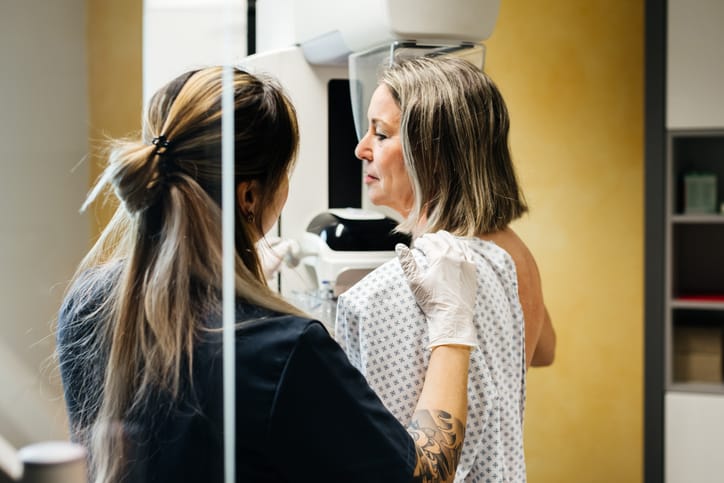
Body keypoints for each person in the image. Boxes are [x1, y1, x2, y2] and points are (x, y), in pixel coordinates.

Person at [55, 66, 480, 483]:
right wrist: (452, 328)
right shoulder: (286, 350)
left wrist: (238, 275)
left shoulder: (86, 303)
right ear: (250, 195)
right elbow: (425, 478)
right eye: (285, 173)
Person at [334, 55, 556, 482]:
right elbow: (542, 350)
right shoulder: (510, 254)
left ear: (432, 156)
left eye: (380, 134)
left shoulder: (408, 285)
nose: (361, 148)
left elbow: (391, 460)